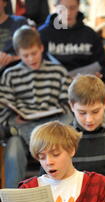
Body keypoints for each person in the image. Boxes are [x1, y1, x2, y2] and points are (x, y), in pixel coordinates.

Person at [0, 26, 73, 188]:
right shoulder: (10, 75)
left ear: (41, 48)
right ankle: (13, 200)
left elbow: (69, 104)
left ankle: (56, 191)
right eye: (25, 55)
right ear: (18, 55)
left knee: (65, 129)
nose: (31, 59)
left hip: (53, 129)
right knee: (13, 150)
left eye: (34, 53)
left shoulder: (57, 71)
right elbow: (5, 108)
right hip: (23, 128)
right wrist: (14, 119)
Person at [38, 0, 105, 81]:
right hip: (52, 85)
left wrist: (98, 76)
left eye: (72, 8)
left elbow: (101, 66)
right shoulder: (42, 34)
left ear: (78, 7)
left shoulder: (90, 35)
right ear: (56, 7)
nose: (68, 13)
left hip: (85, 86)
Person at [0, 0, 27, 69]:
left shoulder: (20, 22)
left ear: (5, 3)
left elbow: (31, 51)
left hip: (16, 69)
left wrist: (12, 58)